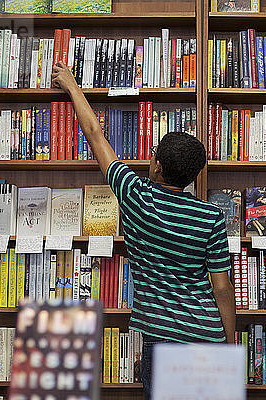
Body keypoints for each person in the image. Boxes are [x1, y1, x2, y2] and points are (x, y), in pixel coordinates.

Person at [52, 61, 236, 399]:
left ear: (157, 166)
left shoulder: (135, 195)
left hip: (163, 339)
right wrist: (229, 341)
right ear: (195, 175)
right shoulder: (211, 216)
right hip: (208, 334)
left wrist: (72, 85)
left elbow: (95, 134)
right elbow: (222, 288)